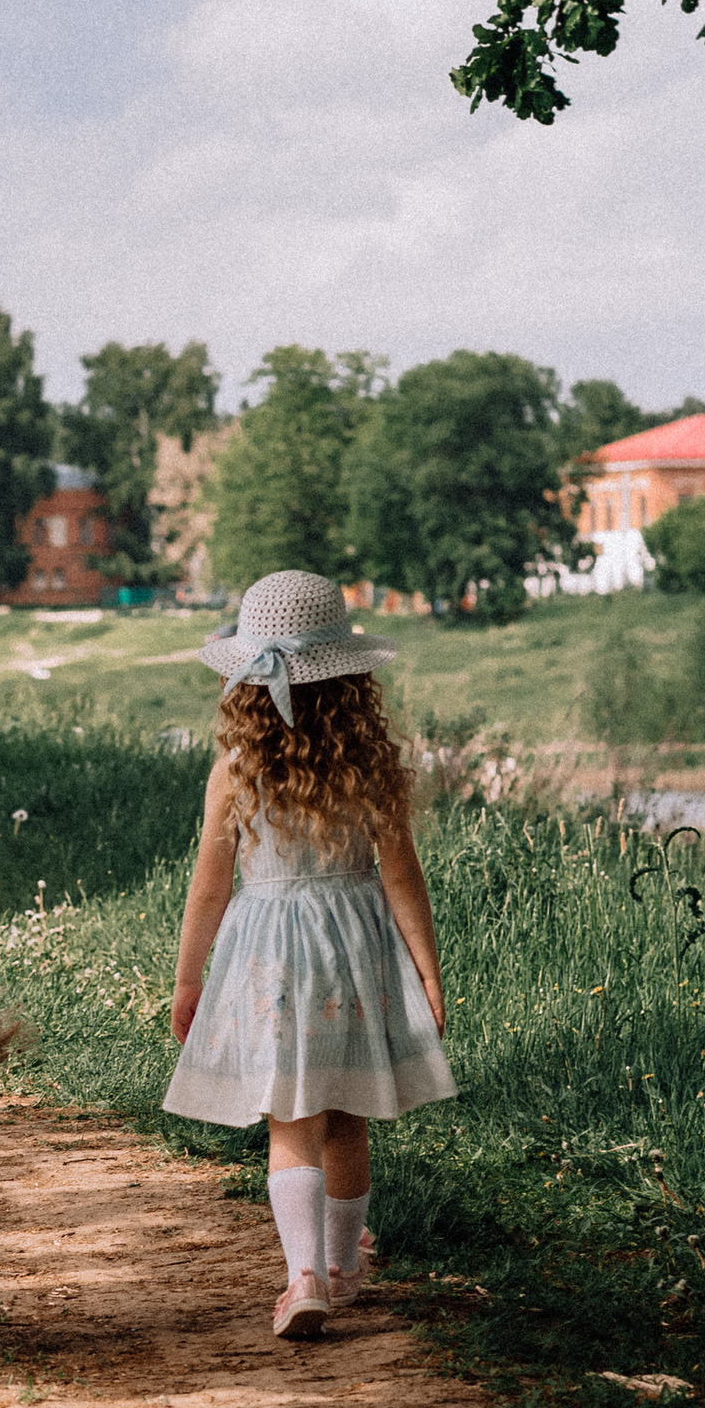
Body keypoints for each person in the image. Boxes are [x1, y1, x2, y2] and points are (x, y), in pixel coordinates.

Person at [163, 569, 453, 1340]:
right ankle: (342, 1264)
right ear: (348, 677)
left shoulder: (236, 768)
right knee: (349, 1112)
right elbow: (402, 878)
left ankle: (304, 1278)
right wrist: (426, 972)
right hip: (356, 947)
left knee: (291, 1120)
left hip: (270, 953)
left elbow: (208, 887)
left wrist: (190, 978)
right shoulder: (370, 765)